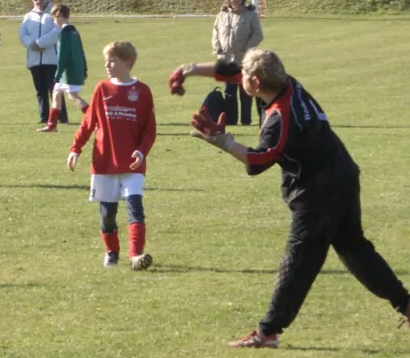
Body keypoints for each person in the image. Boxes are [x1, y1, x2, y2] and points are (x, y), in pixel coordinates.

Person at [167, 49, 410, 348]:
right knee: (354, 249)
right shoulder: (285, 83)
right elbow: (231, 70)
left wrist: (222, 141)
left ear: (255, 83)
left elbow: (259, 160)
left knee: (299, 260)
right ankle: (406, 305)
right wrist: (188, 69)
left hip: (320, 189)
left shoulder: (280, 117)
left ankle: (268, 331)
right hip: (341, 172)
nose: (239, 77)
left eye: (245, 76)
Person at [67, 41, 156, 270]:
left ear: (127, 62)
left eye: (112, 61)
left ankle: (136, 255)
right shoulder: (102, 88)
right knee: (107, 215)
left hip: (132, 164)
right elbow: (89, 123)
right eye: (106, 60)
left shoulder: (143, 91)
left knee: (135, 207)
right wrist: (76, 148)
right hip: (105, 162)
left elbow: (150, 129)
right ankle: (112, 252)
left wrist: (141, 151)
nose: (107, 65)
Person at [211, 0, 263, 126]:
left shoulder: (250, 15)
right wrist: (217, 47)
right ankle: (231, 121)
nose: (235, 0)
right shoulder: (221, 15)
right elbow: (215, 32)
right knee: (229, 92)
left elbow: (258, 34)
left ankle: (246, 121)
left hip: (244, 59)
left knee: (245, 91)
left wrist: (248, 49)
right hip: (227, 59)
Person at [19, 0, 68, 125]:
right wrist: (31, 44)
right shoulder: (28, 16)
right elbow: (22, 34)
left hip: (51, 59)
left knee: (55, 89)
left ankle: (61, 117)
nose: (38, 1)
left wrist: (40, 43)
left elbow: (56, 31)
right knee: (40, 91)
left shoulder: (53, 13)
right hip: (34, 59)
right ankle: (44, 117)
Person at [38, 4, 88, 133]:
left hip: (69, 70)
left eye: (54, 18)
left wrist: (57, 74)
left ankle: (96, 120)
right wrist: (84, 68)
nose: (54, 21)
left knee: (73, 96)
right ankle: (52, 125)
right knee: (56, 93)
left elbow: (63, 56)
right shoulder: (74, 30)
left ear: (60, 15)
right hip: (72, 69)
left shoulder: (65, 33)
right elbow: (81, 50)